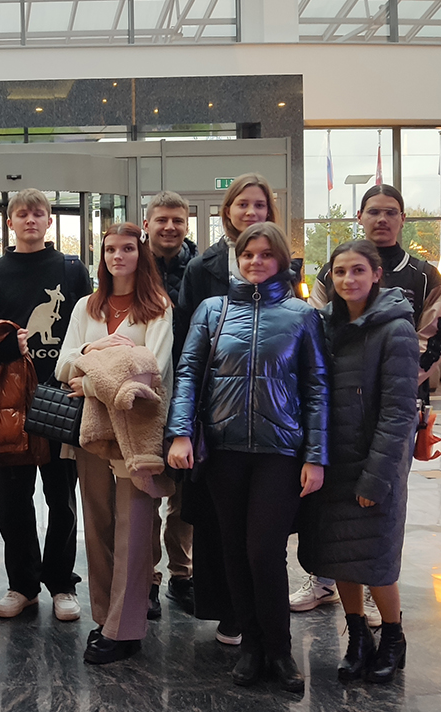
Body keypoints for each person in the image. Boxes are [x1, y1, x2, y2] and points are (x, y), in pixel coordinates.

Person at [167, 222, 329, 693]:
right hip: (224, 450)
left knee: (264, 550)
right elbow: (188, 373)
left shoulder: (302, 316)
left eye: (265, 254)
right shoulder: (213, 310)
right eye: (247, 255)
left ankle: (279, 648)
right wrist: (180, 434)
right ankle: (251, 646)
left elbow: (317, 388)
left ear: (280, 259)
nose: (256, 262)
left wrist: (316, 456)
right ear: (237, 260)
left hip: (280, 452)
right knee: (233, 549)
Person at [295, 184, 441, 618]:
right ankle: (325, 583)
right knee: (333, 517)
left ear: (402, 219)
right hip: (338, 413)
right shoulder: (333, 269)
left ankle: (378, 602)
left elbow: (431, 340)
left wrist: (384, 382)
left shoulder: (424, 275)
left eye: (391, 212)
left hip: (392, 408)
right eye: (374, 211)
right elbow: (319, 332)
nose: (382, 219)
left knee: (379, 511)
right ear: (360, 216)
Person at [0, 188, 92, 621]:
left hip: (62, 399)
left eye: (38, 213)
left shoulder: (72, 271)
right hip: (10, 404)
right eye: (22, 214)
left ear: (49, 221)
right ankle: (22, 585)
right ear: (10, 222)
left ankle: (61, 583)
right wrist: (6, 347)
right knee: (14, 500)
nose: (30, 220)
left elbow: (89, 327)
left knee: (62, 497)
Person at [174, 173, 286, 646]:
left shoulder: (285, 271)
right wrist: (185, 423)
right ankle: (227, 610)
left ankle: (268, 629)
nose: (251, 212)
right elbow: (188, 348)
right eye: (243, 204)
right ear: (227, 210)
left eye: (259, 205)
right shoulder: (202, 268)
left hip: (273, 423)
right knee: (217, 523)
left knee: (263, 538)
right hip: (216, 416)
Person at [299, 240, 418, 684]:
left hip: (373, 465)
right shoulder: (324, 325)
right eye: (340, 272)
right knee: (340, 557)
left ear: (376, 275)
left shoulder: (396, 329)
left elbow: (399, 412)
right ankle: (357, 637)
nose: (348, 279)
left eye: (358, 270)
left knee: (376, 561)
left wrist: (376, 477)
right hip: (333, 462)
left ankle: (393, 637)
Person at [55, 222, 173, 664]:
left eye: (127, 248)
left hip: (135, 432)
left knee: (134, 529)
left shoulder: (158, 307)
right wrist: (94, 351)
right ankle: (105, 619)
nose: (118, 256)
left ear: (141, 254)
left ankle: (127, 628)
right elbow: (63, 364)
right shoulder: (86, 306)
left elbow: (152, 372)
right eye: (110, 249)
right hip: (91, 433)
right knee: (98, 525)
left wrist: (90, 381)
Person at [143, 191, 196, 618]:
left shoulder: (201, 268)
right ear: (147, 224)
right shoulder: (131, 264)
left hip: (192, 389)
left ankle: (182, 574)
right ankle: (147, 578)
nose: (170, 227)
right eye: (162, 219)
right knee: (145, 487)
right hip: (145, 391)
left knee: (184, 492)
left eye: (177, 220)